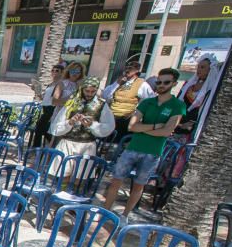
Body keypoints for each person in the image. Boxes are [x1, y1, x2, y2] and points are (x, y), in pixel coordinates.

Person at [102, 67, 186, 218]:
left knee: (138, 185)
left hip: (153, 151)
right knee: (116, 180)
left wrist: (143, 128)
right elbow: (132, 126)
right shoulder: (147, 102)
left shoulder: (177, 105)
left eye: (166, 82)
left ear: (174, 83)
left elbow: (167, 131)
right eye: (159, 82)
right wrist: (155, 127)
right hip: (133, 147)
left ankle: (125, 216)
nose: (161, 85)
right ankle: (105, 212)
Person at [50, 76, 115, 173]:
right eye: (87, 91)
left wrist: (92, 125)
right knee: (62, 175)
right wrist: (70, 122)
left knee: (80, 178)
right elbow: (56, 126)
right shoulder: (72, 103)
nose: (89, 94)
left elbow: (109, 126)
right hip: (68, 143)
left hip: (87, 145)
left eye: (92, 91)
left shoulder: (101, 105)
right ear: (82, 89)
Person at [103, 60, 154, 142]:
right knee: (106, 140)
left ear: (137, 71)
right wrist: (117, 83)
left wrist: (137, 113)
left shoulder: (141, 84)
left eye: (130, 68)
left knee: (118, 141)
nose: (127, 70)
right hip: (112, 116)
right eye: (126, 68)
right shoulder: (120, 81)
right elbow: (105, 95)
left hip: (126, 118)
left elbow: (150, 100)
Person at [175, 53, 221, 141]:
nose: (199, 70)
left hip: (193, 125)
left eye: (202, 67)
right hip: (179, 121)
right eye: (198, 67)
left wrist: (193, 123)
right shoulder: (188, 85)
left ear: (210, 70)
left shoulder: (211, 90)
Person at [31, 63, 66, 148]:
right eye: (53, 70)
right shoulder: (51, 84)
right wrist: (36, 90)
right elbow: (43, 97)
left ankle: (36, 149)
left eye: (57, 71)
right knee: (45, 130)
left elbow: (56, 99)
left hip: (51, 108)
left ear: (62, 73)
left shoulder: (60, 84)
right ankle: (53, 147)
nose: (54, 72)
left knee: (39, 128)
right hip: (45, 107)